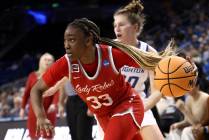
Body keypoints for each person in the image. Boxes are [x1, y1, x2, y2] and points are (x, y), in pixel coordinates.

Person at [30, 18, 175, 140]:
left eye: (72, 40)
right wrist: (41, 116)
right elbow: (36, 89)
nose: (66, 45)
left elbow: (155, 61)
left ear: (88, 41)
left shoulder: (112, 55)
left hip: (126, 105)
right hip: (103, 116)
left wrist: (182, 66)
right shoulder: (65, 63)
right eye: (65, 40)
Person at [113, 0, 164, 139]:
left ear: (135, 28)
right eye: (115, 25)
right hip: (111, 110)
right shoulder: (107, 49)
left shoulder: (148, 52)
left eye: (121, 25)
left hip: (138, 105)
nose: (117, 29)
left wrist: (141, 108)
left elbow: (157, 91)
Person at [19, 53, 59, 140]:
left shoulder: (54, 76)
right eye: (45, 60)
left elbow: (57, 92)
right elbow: (26, 94)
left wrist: (54, 104)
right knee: (33, 136)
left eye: (49, 60)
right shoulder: (32, 76)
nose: (47, 62)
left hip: (49, 110)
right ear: (41, 62)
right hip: (34, 112)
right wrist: (22, 108)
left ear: (53, 63)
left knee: (49, 136)